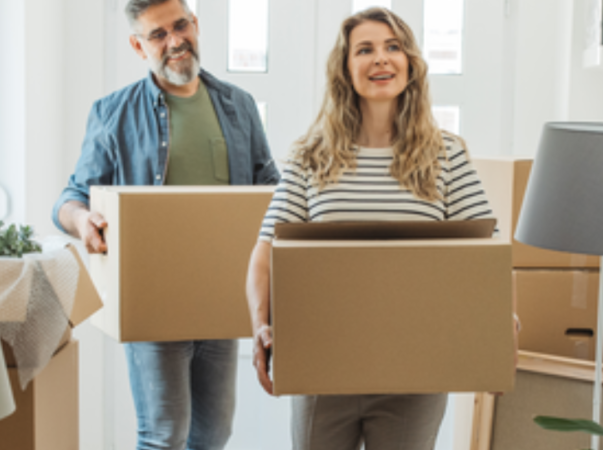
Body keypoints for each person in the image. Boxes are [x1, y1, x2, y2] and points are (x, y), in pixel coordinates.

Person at [246, 7, 511, 450]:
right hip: (322, 363)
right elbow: (265, 253)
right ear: (345, 69)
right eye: (364, 50)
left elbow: (484, 257)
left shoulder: (447, 154)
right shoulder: (310, 155)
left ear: (410, 63)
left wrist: (498, 330)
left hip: (416, 370)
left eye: (393, 47)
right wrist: (259, 325)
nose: (381, 59)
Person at [52, 0, 279, 448]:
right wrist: (82, 220)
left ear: (196, 25)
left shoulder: (239, 106)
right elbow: (71, 197)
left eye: (180, 26)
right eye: (158, 35)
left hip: (222, 296)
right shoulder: (113, 112)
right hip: (153, 300)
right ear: (138, 46)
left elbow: (270, 187)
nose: (175, 41)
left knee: (214, 433)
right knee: (163, 435)